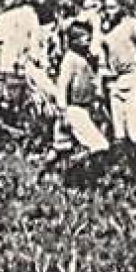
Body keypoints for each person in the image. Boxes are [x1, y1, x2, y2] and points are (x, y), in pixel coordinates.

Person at [48, 21, 109, 171]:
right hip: (73, 109)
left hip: (84, 107)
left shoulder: (85, 58)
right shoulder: (70, 59)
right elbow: (62, 86)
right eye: (85, 39)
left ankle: (65, 170)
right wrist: (63, 111)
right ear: (75, 41)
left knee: (63, 146)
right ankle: (74, 165)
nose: (89, 43)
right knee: (99, 145)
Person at [98, 0, 136, 145]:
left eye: (112, 7)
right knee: (119, 132)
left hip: (133, 78)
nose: (109, 12)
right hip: (115, 82)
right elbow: (103, 62)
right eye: (106, 8)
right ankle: (127, 165)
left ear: (121, 7)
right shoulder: (105, 31)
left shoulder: (133, 25)